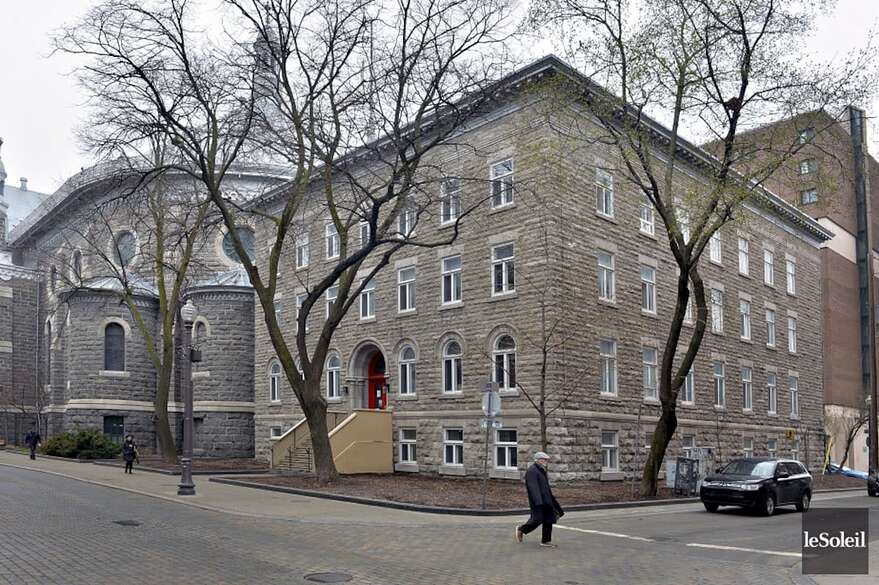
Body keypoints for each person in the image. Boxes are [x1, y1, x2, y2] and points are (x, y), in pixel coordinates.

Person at [516, 451, 564, 547]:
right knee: (537, 520)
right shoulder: (532, 470)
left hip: (546, 500)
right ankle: (521, 530)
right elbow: (533, 487)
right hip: (538, 502)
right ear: (537, 460)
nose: (545, 461)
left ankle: (545, 541)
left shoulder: (541, 470)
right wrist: (538, 502)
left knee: (549, 519)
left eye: (546, 460)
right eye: (543, 460)